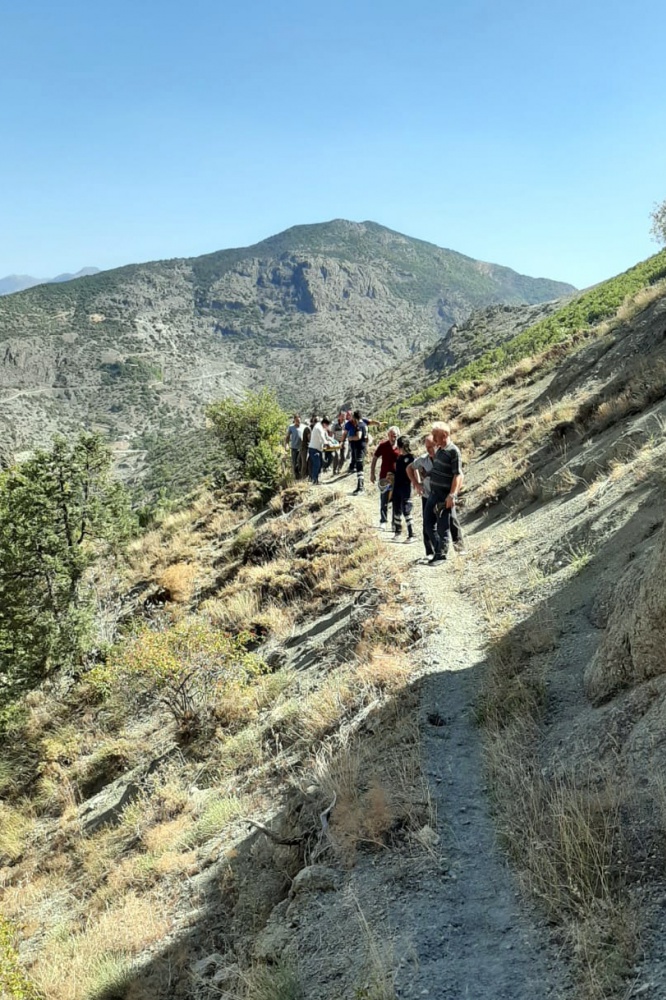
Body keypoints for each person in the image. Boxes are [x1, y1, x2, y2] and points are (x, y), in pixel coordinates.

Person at [423, 422, 464, 564]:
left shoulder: (453, 451)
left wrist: (452, 495)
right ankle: (438, 550)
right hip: (433, 493)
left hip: (444, 495)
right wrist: (428, 473)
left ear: (444, 435)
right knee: (428, 523)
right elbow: (438, 468)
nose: (434, 439)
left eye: (436, 436)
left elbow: (457, 474)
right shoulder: (440, 450)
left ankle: (441, 555)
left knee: (443, 526)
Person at [408, 434, 436, 559]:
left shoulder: (443, 458)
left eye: (431, 446)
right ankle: (430, 551)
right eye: (427, 447)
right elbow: (409, 468)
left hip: (441, 495)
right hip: (427, 496)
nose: (429, 449)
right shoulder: (423, 460)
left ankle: (449, 548)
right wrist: (416, 484)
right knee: (427, 524)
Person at [370, 426, 400, 527]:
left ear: (398, 435)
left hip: (396, 477)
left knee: (396, 500)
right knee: (384, 499)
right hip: (384, 477)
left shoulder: (400, 447)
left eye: (394, 436)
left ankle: (394, 523)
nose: (392, 437)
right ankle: (383, 521)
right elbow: (375, 458)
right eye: (391, 435)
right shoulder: (383, 445)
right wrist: (372, 473)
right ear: (388, 435)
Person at [391, 435, 415, 541]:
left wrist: (417, 483)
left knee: (406, 510)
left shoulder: (411, 458)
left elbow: (415, 471)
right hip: (397, 486)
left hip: (405, 487)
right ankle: (398, 532)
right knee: (396, 509)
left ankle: (412, 534)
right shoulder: (399, 458)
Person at [347, 410, 369, 494]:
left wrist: (351, 438)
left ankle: (361, 488)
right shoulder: (364, 424)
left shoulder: (359, 425)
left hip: (359, 448)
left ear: (355, 417)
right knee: (360, 468)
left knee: (359, 469)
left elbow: (358, 436)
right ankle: (359, 487)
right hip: (362, 447)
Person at [308, 417, 335, 485]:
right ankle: (314, 480)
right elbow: (323, 439)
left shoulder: (321, 427)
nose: (327, 427)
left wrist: (331, 441)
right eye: (327, 425)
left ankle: (316, 479)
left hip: (318, 449)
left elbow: (325, 437)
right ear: (325, 424)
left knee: (320, 464)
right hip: (314, 449)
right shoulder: (318, 428)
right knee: (316, 464)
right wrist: (328, 444)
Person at [285, 414, 303, 479]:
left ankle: (302, 475)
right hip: (294, 448)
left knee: (301, 462)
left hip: (302, 448)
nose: (298, 422)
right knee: (295, 462)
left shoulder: (303, 427)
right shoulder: (291, 427)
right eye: (297, 421)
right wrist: (287, 444)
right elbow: (287, 436)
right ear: (294, 420)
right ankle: (296, 477)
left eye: (299, 420)